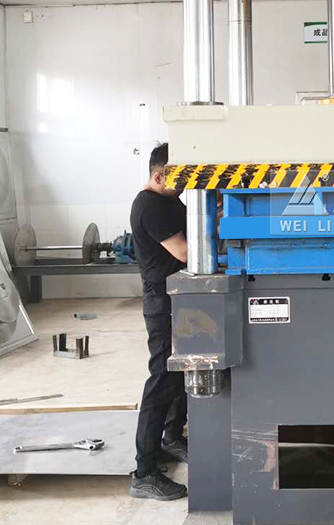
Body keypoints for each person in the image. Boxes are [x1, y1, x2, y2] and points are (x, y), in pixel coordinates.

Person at [129, 142, 189, 501]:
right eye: (178, 179)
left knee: (179, 374)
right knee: (162, 380)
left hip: (177, 296)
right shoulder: (149, 205)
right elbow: (183, 250)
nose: (183, 185)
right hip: (161, 302)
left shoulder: (171, 201)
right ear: (158, 176)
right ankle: (144, 472)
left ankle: (171, 437)